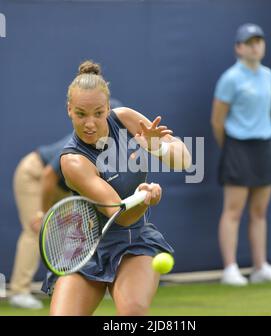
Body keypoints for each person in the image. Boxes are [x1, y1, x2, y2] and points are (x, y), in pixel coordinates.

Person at [41, 60, 191, 316]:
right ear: (69, 110)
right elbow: (119, 216)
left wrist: (158, 148)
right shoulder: (73, 161)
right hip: (85, 248)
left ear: (109, 107)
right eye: (81, 114)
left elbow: (185, 160)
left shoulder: (126, 119)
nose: (90, 123)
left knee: (132, 313)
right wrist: (144, 200)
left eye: (98, 113)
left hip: (134, 242)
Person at [211, 23, 271, 286]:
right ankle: (230, 269)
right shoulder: (230, 78)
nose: (256, 46)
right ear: (239, 48)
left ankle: (260, 267)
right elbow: (217, 121)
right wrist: (230, 148)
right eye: (250, 42)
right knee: (233, 211)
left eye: (260, 41)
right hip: (237, 146)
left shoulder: (268, 75)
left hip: (263, 145)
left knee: (259, 211)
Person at [9, 135, 72, 309]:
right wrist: (42, 214)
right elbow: (48, 176)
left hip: (62, 187)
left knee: (72, 234)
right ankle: (19, 292)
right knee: (36, 230)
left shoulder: (110, 149)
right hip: (35, 174)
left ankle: (67, 288)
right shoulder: (78, 143)